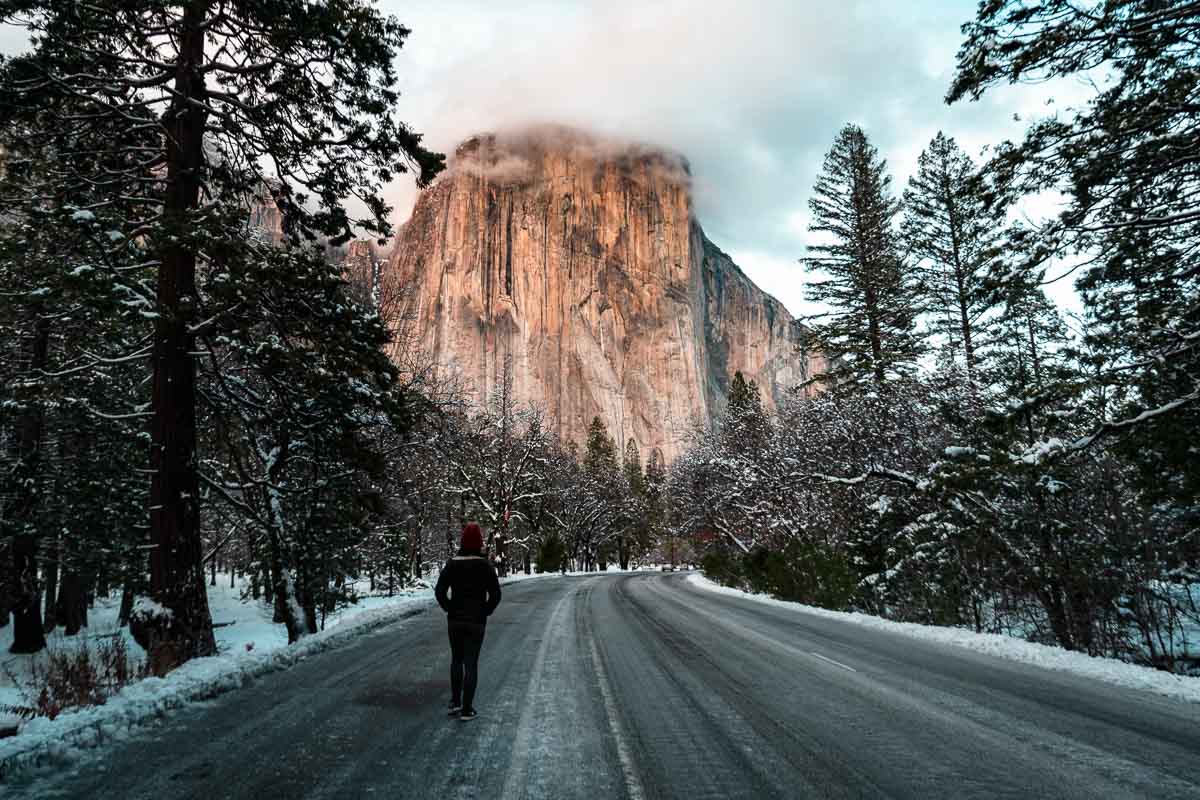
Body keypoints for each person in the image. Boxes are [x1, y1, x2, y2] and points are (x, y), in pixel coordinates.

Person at [434, 522, 501, 720]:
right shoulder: (485, 566)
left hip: (455, 620)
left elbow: (439, 591)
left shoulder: (452, 563)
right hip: (476, 620)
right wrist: (485, 610)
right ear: (480, 542)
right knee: (471, 663)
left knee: (456, 659)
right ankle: (467, 709)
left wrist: (449, 607)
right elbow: (496, 594)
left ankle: (455, 701)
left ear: (462, 541)